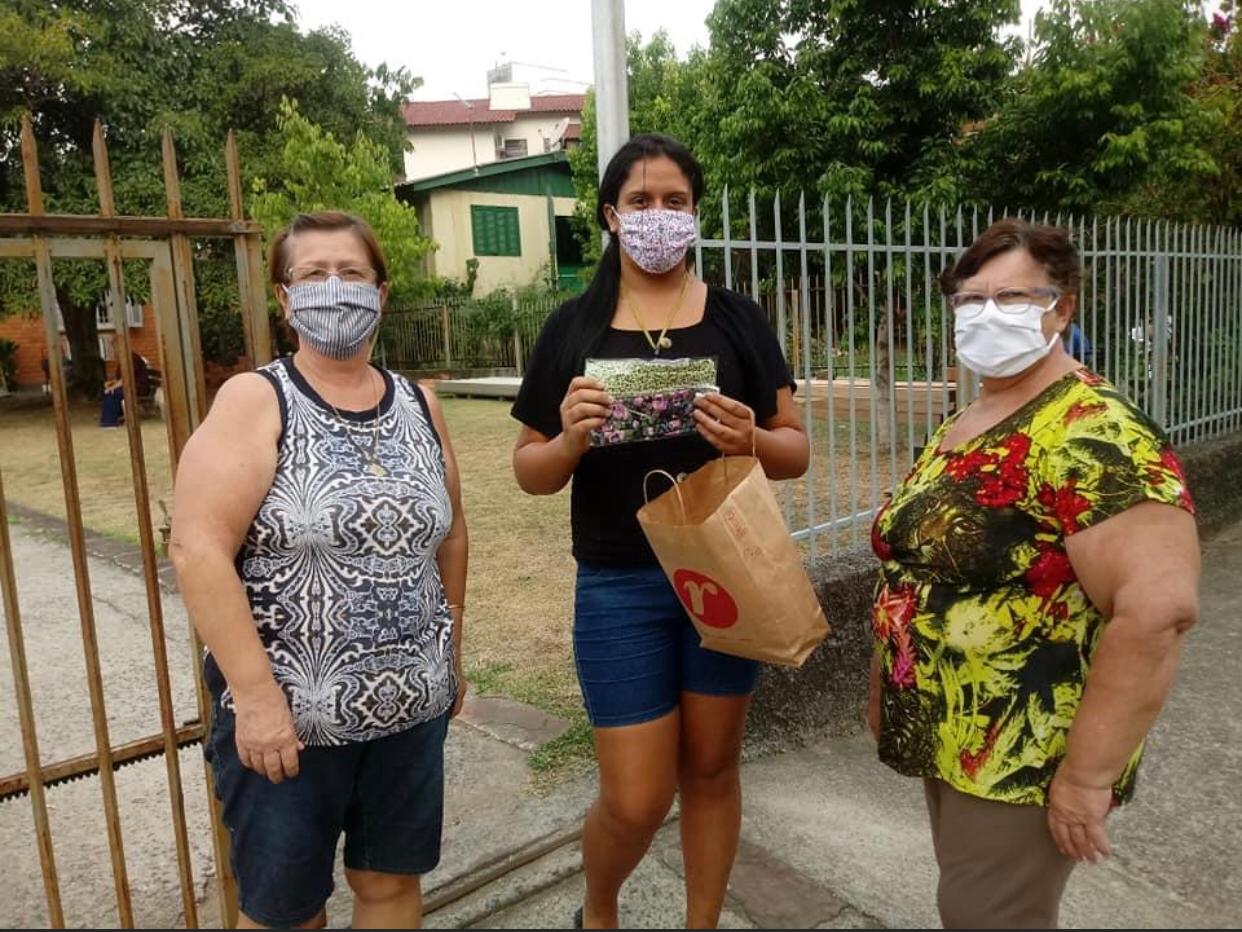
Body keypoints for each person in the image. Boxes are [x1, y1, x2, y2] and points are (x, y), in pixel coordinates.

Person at [511, 133, 809, 929]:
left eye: (675, 201)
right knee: (637, 793)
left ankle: (700, 923)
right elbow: (529, 470)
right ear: (610, 216)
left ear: (695, 213)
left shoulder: (740, 320)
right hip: (619, 582)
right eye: (640, 202)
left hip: (728, 570)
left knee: (712, 768)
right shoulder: (573, 327)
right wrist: (569, 439)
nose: (658, 216)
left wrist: (752, 438)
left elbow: (795, 450)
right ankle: (599, 910)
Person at [868, 219, 1200, 929]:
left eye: (1012, 297)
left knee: (987, 915)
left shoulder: (1093, 431)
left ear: (1063, 307)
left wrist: (1085, 779)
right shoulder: (981, 412)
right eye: (969, 299)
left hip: (1019, 751)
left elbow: (1158, 610)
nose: (987, 316)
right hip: (951, 731)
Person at [169, 211, 468, 930]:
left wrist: (453, 651)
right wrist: (257, 698)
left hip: (410, 705)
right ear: (285, 298)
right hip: (290, 723)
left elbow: (450, 535)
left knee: (390, 885)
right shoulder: (256, 400)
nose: (334, 289)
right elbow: (198, 547)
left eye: (352, 273)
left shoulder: (419, 404)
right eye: (313, 275)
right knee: (286, 914)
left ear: (382, 291)